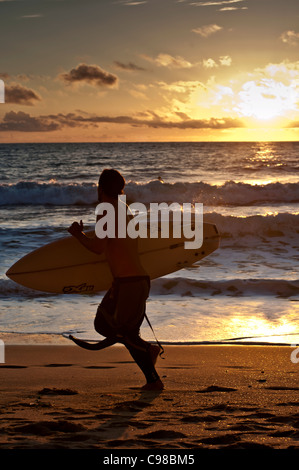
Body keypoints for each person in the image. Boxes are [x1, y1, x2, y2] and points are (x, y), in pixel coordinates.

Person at [68, 169, 164, 391]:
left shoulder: (105, 211)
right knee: (124, 332)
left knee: (110, 327)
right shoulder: (125, 209)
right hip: (137, 282)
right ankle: (149, 361)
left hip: (129, 284)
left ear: (100, 189)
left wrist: (77, 234)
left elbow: (98, 248)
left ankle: (153, 377)